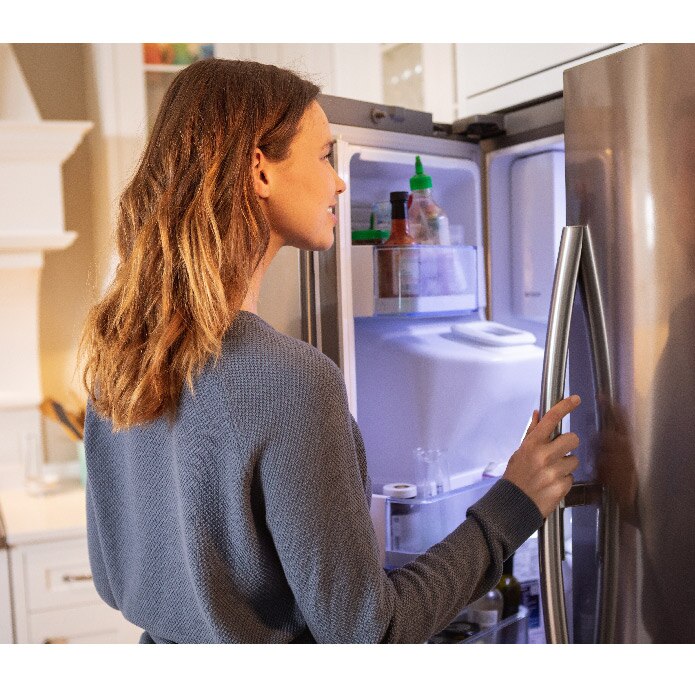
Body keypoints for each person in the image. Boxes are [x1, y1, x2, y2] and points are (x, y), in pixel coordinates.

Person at [80, 58, 581, 644]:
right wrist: (513, 505)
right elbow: (371, 632)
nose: (340, 180)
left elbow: (114, 582)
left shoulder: (118, 354)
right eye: (323, 156)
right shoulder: (290, 381)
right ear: (258, 170)